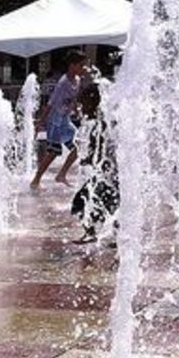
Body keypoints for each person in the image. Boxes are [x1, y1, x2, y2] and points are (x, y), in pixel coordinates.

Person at [69, 82, 118, 243]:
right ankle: (95, 232)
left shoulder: (105, 123)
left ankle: (97, 233)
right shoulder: (102, 121)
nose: (81, 109)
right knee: (99, 202)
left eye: (84, 104)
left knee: (84, 201)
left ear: (93, 103)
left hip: (112, 175)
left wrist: (89, 158)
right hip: (108, 174)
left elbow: (105, 149)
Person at [31, 51, 86, 189]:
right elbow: (50, 104)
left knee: (79, 147)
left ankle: (61, 175)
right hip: (55, 121)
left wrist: (76, 110)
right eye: (81, 65)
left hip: (65, 121)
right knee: (53, 152)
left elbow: (73, 99)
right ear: (72, 65)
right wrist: (40, 123)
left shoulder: (77, 80)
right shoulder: (63, 83)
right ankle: (36, 180)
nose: (83, 68)